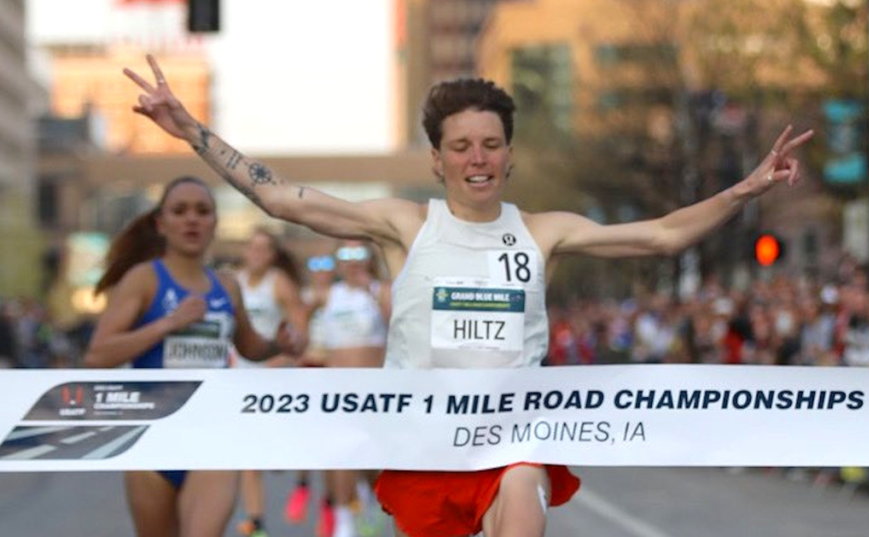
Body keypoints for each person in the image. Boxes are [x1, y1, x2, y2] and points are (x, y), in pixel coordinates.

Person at [124, 54, 812, 537]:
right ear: (437, 159)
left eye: (490, 144)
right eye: (461, 146)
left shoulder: (544, 231)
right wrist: (191, 132)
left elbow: (661, 236)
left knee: (521, 492)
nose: (476, 159)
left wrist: (744, 189)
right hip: (422, 447)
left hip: (511, 442)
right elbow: (278, 197)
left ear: (509, 155)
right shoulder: (402, 225)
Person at [82, 176, 304, 537]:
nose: (192, 219)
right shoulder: (144, 279)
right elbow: (97, 356)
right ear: (161, 223)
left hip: (211, 434)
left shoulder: (227, 285)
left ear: (215, 223)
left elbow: (249, 347)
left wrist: (280, 344)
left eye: (203, 211)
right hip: (152, 437)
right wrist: (168, 323)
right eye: (180, 211)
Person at [283, 240, 391, 537]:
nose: (353, 260)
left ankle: (374, 503)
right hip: (339, 388)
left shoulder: (380, 290)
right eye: (346, 255)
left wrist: (369, 287)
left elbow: (397, 323)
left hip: (375, 390)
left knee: (372, 460)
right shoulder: (329, 294)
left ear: (370, 258)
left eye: (359, 254)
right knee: (342, 453)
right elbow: (297, 319)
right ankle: (343, 520)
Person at [233, 228, 309, 537]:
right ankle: (256, 521)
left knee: (275, 456)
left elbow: (301, 331)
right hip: (241, 377)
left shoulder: (278, 283)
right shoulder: (233, 281)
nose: (257, 254)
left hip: (274, 377)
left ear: (273, 254)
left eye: (264, 249)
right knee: (247, 454)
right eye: (252, 248)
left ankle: (302, 482)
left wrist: (284, 358)